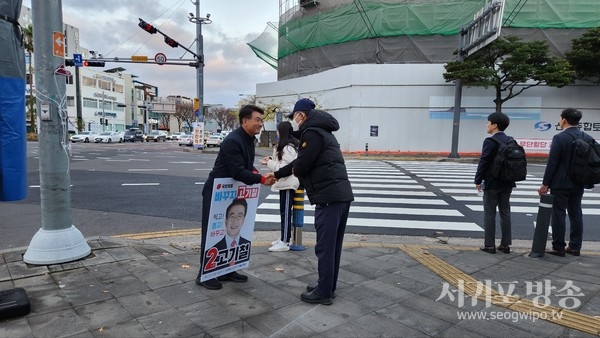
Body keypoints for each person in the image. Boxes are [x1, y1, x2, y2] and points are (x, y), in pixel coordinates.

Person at [273, 98, 354, 305]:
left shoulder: (313, 132)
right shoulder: (323, 131)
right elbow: (302, 162)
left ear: (302, 115)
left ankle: (324, 292)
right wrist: (279, 174)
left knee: (325, 247)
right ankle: (327, 285)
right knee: (333, 245)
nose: (294, 121)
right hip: (339, 195)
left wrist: (278, 174)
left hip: (329, 196)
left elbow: (301, 166)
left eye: (295, 117)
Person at [195, 104, 276, 290]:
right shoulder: (233, 140)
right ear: (244, 120)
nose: (260, 124)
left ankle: (227, 269)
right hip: (216, 192)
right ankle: (204, 275)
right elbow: (238, 171)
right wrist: (262, 179)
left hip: (231, 191)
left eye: (262, 120)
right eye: (257, 119)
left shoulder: (249, 139)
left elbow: (246, 166)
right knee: (212, 233)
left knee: (233, 233)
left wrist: (258, 173)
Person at [538, 108, 586, 257]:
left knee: (558, 213)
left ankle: (558, 247)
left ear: (564, 120)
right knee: (576, 212)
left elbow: (552, 163)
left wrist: (545, 184)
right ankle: (575, 246)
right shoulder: (586, 136)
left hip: (560, 183)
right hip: (579, 181)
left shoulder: (560, 138)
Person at [474, 112, 515, 254]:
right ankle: (505, 245)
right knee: (505, 213)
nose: (487, 125)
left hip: (492, 183)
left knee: (490, 214)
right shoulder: (510, 140)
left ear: (494, 125)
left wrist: (478, 180)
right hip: (508, 182)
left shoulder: (490, 141)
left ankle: (489, 245)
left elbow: (483, 161)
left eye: (488, 122)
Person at [260, 121, 300, 252]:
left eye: (278, 130)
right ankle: (283, 238)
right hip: (284, 183)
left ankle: (285, 241)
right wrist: (271, 159)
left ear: (281, 131)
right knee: (284, 212)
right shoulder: (286, 146)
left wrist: (270, 163)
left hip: (288, 183)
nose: (277, 133)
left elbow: (285, 168)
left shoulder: (287, 148)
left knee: (286, 212)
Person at [203, 198, 251, 272]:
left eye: (239, 216)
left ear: (244, 219)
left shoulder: (247, 244)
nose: (235, 221)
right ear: (226, 221)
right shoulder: (212, 251)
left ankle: (230, 272)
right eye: (232, 216)